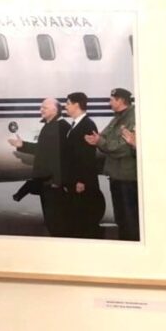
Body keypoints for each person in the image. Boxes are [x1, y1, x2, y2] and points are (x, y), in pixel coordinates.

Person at [8, 98, 70, 237]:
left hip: (53, 184)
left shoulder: (60, 127)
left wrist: (57, 181)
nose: (41, 110)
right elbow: (42, 149)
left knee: (57, 222)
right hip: (47, 183)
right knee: (52, 221)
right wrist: (22, 145)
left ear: (55, 110)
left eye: (44, 107)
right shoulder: (50, 126)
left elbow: (60, 156)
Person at [85, 88, 138, 241]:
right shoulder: (117, 118)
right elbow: (104, 137)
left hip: (127, 177)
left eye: (111, 99)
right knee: (121, 218)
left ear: (120, 100)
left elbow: (122, 148)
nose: (109, 102)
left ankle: (132, 246)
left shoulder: (132, 118)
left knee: (130, 218)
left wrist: (100, 142)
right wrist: (100, 141)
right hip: (116, 175)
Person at [63, 92, 106, 238]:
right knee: (78, 216)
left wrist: (81, 180)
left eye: (68, 103)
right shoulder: (76, 124)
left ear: (76, 105)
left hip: (82, 181)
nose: (66, 106)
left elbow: (87, 155)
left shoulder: (87, 125)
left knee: (85, 217)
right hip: (75, 178)